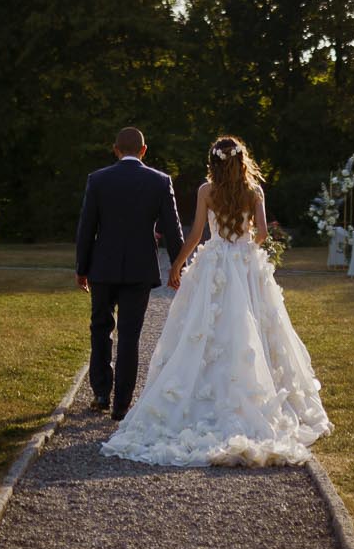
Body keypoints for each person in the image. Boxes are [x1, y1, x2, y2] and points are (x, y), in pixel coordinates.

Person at [103, 135, 331, 466]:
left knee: (204, 328)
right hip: (245, 263)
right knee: (252, 327)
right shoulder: (254, 192)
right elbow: (264, 233)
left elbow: (196, 234)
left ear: (214, 162)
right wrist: (247, 239)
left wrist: (178, 265)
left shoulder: (205, 191)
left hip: (214, 263)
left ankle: (202, 392)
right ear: (241, 160)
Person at [76, 127, 185, 419]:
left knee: (100, 328)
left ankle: (100, 392)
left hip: (102, 266)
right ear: (144, 150)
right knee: (129, 335)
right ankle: (122, 404)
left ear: (115, 149)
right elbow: (173, 230)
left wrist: (81, 269)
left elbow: (87, 228)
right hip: (139, 268)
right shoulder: (160, 182)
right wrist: (178, 267)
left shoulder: (97, 180)